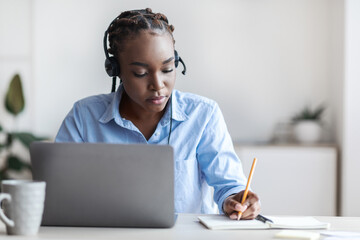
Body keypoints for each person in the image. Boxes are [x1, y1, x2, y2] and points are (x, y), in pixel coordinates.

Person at [55, 8, 260, 220]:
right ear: (115, 70)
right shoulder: (83, 117)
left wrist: (236, 200)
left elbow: (230, 186)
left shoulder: (203, 115)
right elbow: (58, 189)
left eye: (168, 69)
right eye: (141, 73)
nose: (158, 85)